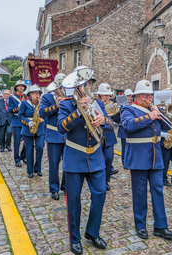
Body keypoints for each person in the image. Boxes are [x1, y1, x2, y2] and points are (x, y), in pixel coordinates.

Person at [58, 68, 113, 254]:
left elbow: (111, 125)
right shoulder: (66, 105)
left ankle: (92, 232)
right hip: (75, 158)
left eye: (88, 84)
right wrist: (79, 112)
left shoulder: (98, 102)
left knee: (100, 194)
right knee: (73, 200)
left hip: (96, 157)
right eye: (81, 85)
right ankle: (74, 239)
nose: (85, 87)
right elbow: (61, 127)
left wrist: (103, 120)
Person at [121, 80, 172, 240]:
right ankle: (140, 225)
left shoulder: (153, 109)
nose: (147, 97)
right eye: (144, 95)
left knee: (158, 191)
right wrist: (150, 116)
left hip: (156, 157)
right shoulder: (128, 109)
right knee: (139, 193)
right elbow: (128, 126)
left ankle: (161, 226)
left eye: (149, 95)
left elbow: (166, 128)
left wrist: (162, 113)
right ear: (137, 96)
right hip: (138, 157)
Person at [39, 73, 66, 200]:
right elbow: (42, 113)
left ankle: (66, 186)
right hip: (54, 135)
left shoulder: (70, 97)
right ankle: (54, 188)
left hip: (67, 136)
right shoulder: (47, 97)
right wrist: (56, 105)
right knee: (54, 164)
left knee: (68, 163)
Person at [95, 83, 118, 191]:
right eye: (105, 95)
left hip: (109, 135)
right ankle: (100, 180)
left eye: (108, 95)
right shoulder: (95, 103)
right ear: (100, 95)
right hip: (98, 135)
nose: (108, 97)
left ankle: (106, 180)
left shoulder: (110, 104)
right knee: (100, 160)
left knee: (109, 158)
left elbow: (115, 119)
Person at [19, 85, 45, 178]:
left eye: (38, 93)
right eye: (35, 93)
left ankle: (37, 168)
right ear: (30, 94)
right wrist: (28, 122)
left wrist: (42, 118)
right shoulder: (25, 103)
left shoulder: (42, 103)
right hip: (28, 129)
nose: (37, 95)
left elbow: (45, 114)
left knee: (40, 147)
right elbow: (20, 116)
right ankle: (30, 170)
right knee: (29, 150)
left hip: (40, 128)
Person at [9, 80, 27, 167]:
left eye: (22, 86)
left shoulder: (26, 97)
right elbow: (10, 109)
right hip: (16, 121)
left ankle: (23, 156)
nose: (21, 87)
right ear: (16, 87)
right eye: (19, 86)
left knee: (26, 141)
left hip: (25, 121)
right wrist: (18, 107)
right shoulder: (12, 98)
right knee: (17, 142)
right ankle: (16, 159)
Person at [117, 88, 133, 167]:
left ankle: (129, 161)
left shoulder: (132, 104)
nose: (131, 98)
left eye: (131, 96)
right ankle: (124, 162)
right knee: (124, 148)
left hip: (130, 130)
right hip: (123, 129)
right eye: (129, 96)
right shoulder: (121, 106)